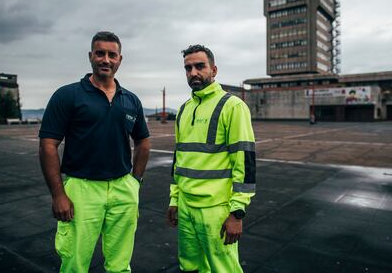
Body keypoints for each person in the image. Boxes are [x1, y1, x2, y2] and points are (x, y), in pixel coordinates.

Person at [39, 31, 150, 273]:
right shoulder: (67, 95)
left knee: (120, 264)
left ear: (120, 59)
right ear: (90, 56)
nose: (106, 60)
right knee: (75, 263)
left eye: (112, 55)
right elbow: (48, 144)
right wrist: (58, 195)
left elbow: (143, 141)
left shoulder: (130, 100)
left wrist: (135, 182)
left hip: (123, 189)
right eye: (100, 53)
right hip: (82, 190)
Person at [167, 44, 256, 272]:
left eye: (200, 66)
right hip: (186, 205)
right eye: (188, 68)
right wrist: (175, 199)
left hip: (216, 209)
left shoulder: (233, 106)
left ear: (214, 70)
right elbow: (179, 160)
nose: (193, 72)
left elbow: (244, 163)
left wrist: (237, 213)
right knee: (190, 266)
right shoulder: (184, 110)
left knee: (223, 268)